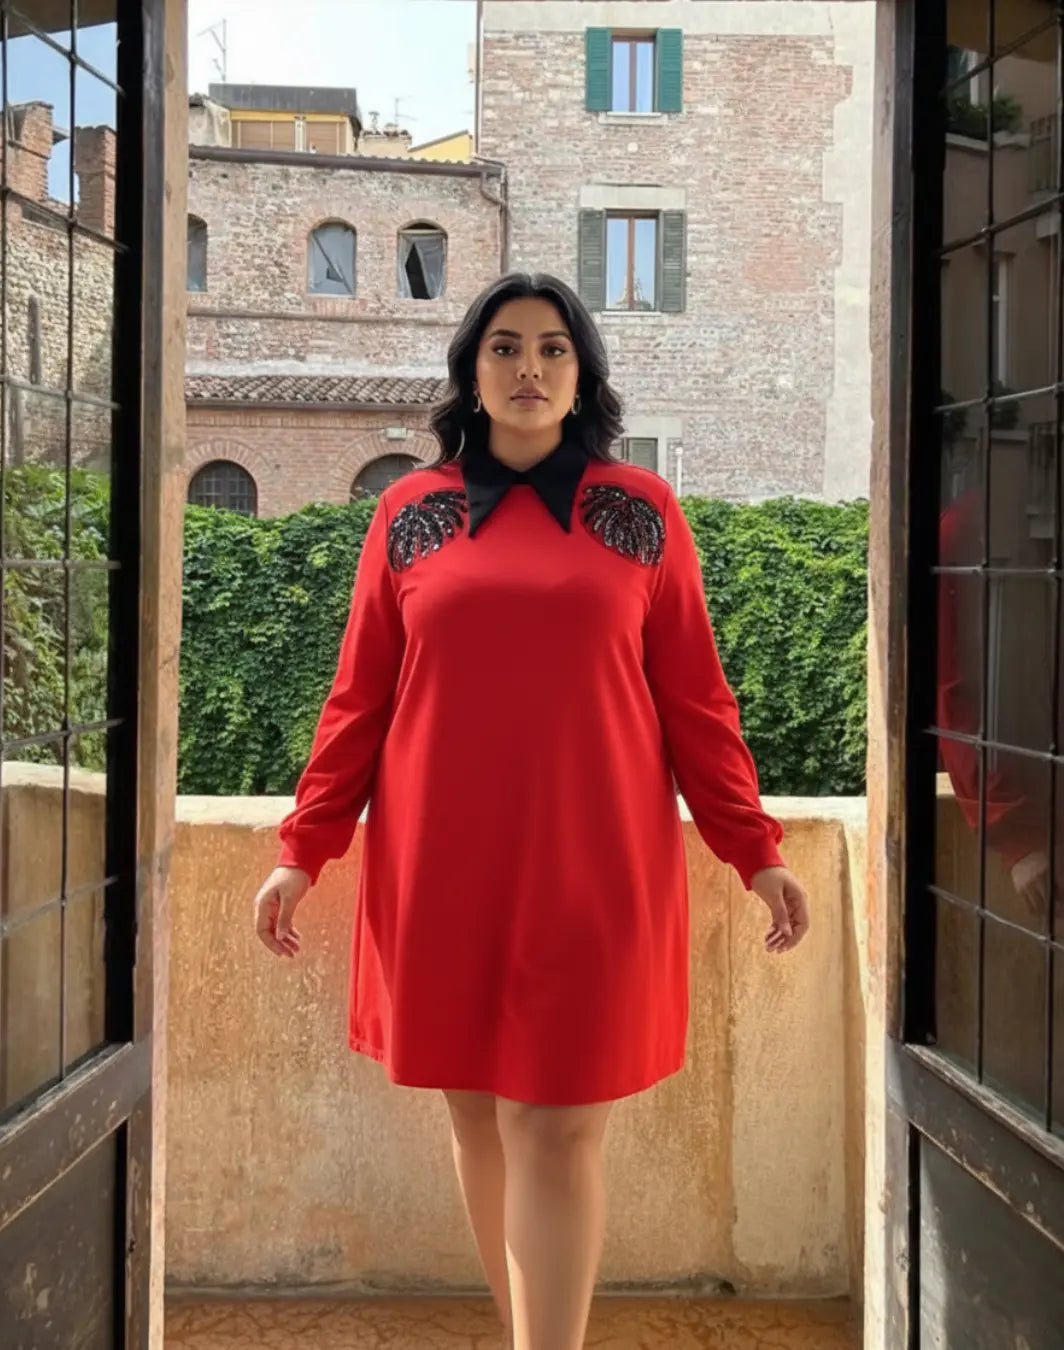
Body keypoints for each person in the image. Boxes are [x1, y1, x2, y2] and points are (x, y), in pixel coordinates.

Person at [252, 273, 810, 1350]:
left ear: (582, 374)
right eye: (504, 347)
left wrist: (754, 847)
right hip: (438, 864)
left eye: (553, 349)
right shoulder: (408, 517)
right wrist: (303, 849)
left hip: (593, 865)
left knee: (555, 1130)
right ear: (470, 370)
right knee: (480, 1123)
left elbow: (696, 697)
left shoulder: (641, 513)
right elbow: (358, 697)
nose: (528, 369)